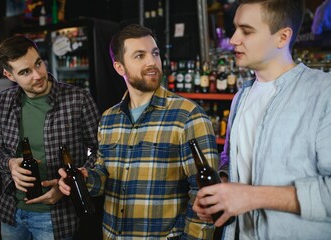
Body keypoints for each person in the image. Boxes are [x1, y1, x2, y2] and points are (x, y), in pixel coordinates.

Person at [58, 24, 219, 239]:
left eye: (155, 53)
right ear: (119, 68)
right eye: (139, 56)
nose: (152, 62)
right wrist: (85, 179)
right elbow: (104, 175)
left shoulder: (188, 115)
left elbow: (204, 194)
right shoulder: (109, 118)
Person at [192, 0, 331, 239]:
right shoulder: (241, 97)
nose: (234, 39)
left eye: (246, 31)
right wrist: (222, 185)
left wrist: (251, 196)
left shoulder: (323, 93)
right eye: (235, 28)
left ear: (282, 37)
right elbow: (233, 160)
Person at [0, 35, 100, 240]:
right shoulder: (5, 101)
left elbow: (100, 151)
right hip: (11, 210)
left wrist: (65, 183)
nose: (38, 75)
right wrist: (10, 164)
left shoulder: (78, 98)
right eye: (25, 72)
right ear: (9, 75)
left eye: (38, 64)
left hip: (55, 215)